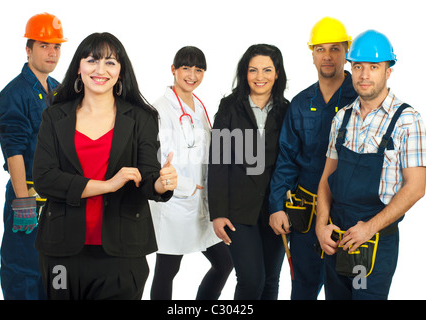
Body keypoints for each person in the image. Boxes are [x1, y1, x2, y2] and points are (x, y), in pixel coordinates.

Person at [32, 32, 177, 300]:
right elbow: (44, 178)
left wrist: (160, 182)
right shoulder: (55, 116)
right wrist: (107, 185)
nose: (101, 70)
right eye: (92, 61)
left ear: (121, 71)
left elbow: (147, 176)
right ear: (79, 67)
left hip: (122, 251)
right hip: (61, 252)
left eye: (110, 62)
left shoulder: (141, 118)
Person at [316, 30, 426, 300]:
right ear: (351, 69)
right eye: (358, 67)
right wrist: (321, 224)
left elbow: (416, 188)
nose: (364, 75)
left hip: (373, 245)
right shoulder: (341, 119)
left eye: (374, 67)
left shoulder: (407, 120)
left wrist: (369, 227)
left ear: (388, 71)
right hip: (337, 238)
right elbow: (326, 179)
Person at [268, 17, 357, 299]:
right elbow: (287, 159)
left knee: (347, 290)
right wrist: (276, 205)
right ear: (312, 54)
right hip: (305, 217)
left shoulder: (362, 97)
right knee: (303, 289)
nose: (327, 56)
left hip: (349, 216)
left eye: (334, 48)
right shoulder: (301, 103)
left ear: (346, 52)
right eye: (320, 49)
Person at [149, 46, 233, 300]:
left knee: (225, 263)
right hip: (174, 202)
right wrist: (185, 185)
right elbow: (158, 158)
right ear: (173, 70)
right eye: (186, 68)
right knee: (167, 270)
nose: (192, 75)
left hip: (201, 203)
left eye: (198, 69)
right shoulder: (160, 110)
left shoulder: (198, 106)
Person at [0, 12, 66, 300]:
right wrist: (23, 202)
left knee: (55, 272)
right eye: (44, 45)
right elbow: (13, 150)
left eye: (57, 46)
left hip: (56, 197)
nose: (52, 52)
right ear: (28, 49)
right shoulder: (14, 93)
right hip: (29, 195)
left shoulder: (58, 90)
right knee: (24, 270)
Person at [208, 44, 290, 299]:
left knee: (270, 282)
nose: (259, 77)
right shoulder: (229, 107)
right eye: (253, 70)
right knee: (251, 280)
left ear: (277, 73)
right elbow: (218, 160)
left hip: (275, 208)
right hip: (238, 211)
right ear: (245, 73)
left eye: (267, 70)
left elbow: (290, 161)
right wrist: (218, 213)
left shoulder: (287, 109)